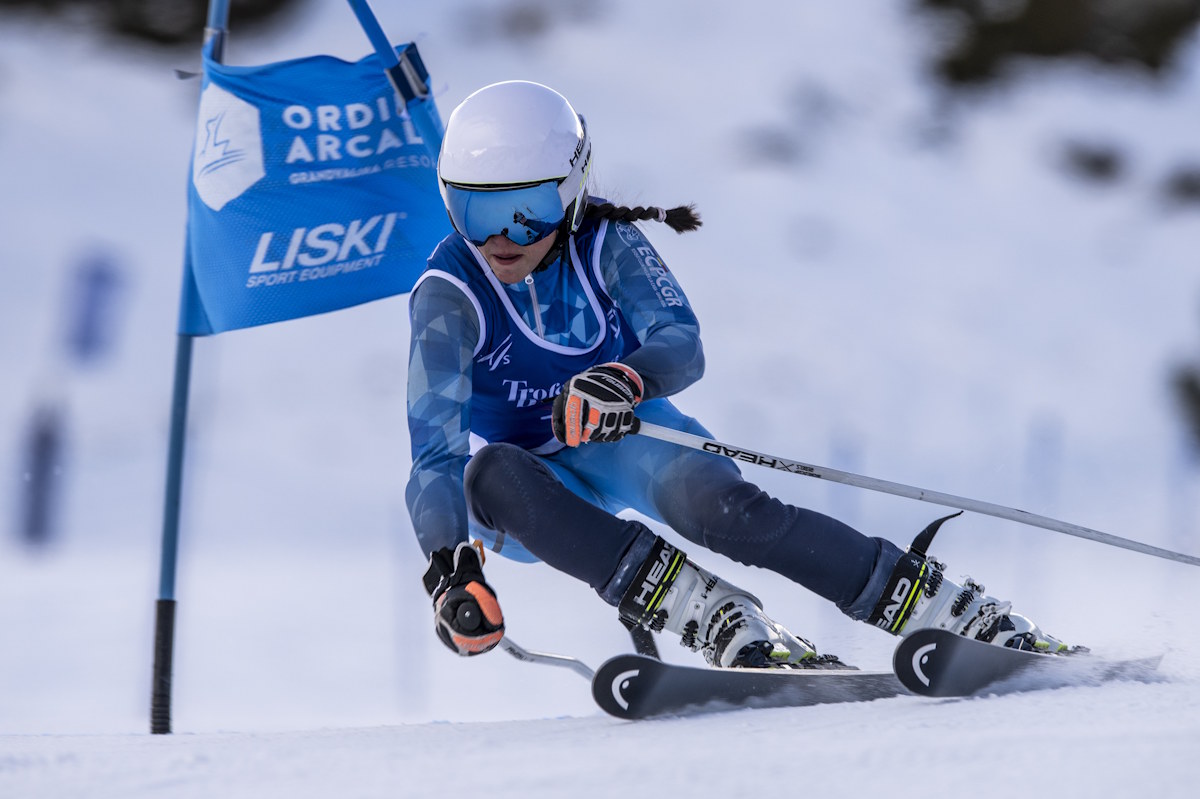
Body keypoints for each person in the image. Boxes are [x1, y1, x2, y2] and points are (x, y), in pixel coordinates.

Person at [408, 80, 1065, 668]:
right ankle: (710, 611)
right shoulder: (449, 292)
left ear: (573, 192)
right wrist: (447, 565)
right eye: (474, 212)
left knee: (726, 511)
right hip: (528, 492)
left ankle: (944, 607)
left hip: (616, 433)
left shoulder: (604, 241)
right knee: (488, 469)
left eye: (524, 211)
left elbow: (680, 343)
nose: (499, 239)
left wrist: (624, 379)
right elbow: (434, 448)